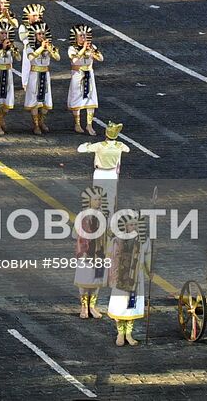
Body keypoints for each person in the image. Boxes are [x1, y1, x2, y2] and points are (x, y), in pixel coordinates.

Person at [106, 212, 151, 346]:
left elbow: (147, 257)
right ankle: (120, 333)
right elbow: (110, 257)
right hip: (121, 278)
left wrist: (149, 271)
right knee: (120, 307)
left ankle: (129, 334)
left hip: (136, 279)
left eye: (136, 224)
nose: (134, 227)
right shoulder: (117, 240)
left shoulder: (144, 240)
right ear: (125, 226)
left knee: (132, 306)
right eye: (131, 224)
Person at [74, 187, 111, 319]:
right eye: (95, 199)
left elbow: (108, 233)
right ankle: (84, 306)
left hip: (100, 252)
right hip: (86, 253)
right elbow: (76, 234)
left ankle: (92, 306)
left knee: (96, 280)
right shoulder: (82, 216)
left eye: (100, 199)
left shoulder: (104, 216)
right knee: (84, 281)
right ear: (89, 201)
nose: (98, 202)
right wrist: (83, 250)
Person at [78, 122, 129, 209]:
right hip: (113, 174)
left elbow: (80, 149)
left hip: (100, 173)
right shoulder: (120, 145)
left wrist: (86, 144)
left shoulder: (99, 145)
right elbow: (127, 149)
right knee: (111, 198)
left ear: (106, 133)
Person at [21, 23, 58, 134]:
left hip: (45, 74)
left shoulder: (49, 45)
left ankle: (42, 121)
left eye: (43, 34)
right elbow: (31, 57)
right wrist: (41, 48)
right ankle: (36, 124)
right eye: (39, 34)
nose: (41, 36)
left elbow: (57, 57)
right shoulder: (30, 46)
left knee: (45, 100)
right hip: (34, 74)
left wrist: (50, 49)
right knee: (34, 100)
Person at [67, 24, 103, 135]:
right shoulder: (72, 48)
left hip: (89, 74)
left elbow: (101, 58)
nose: (84, 38)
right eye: (81, 36)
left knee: (91, 99)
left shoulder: (92, 47)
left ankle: (89, 125)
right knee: (76, 97)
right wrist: (83, 50)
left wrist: (93, 52)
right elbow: (75, 61)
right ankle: (77, 124)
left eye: (85, 36)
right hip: (78, 75)